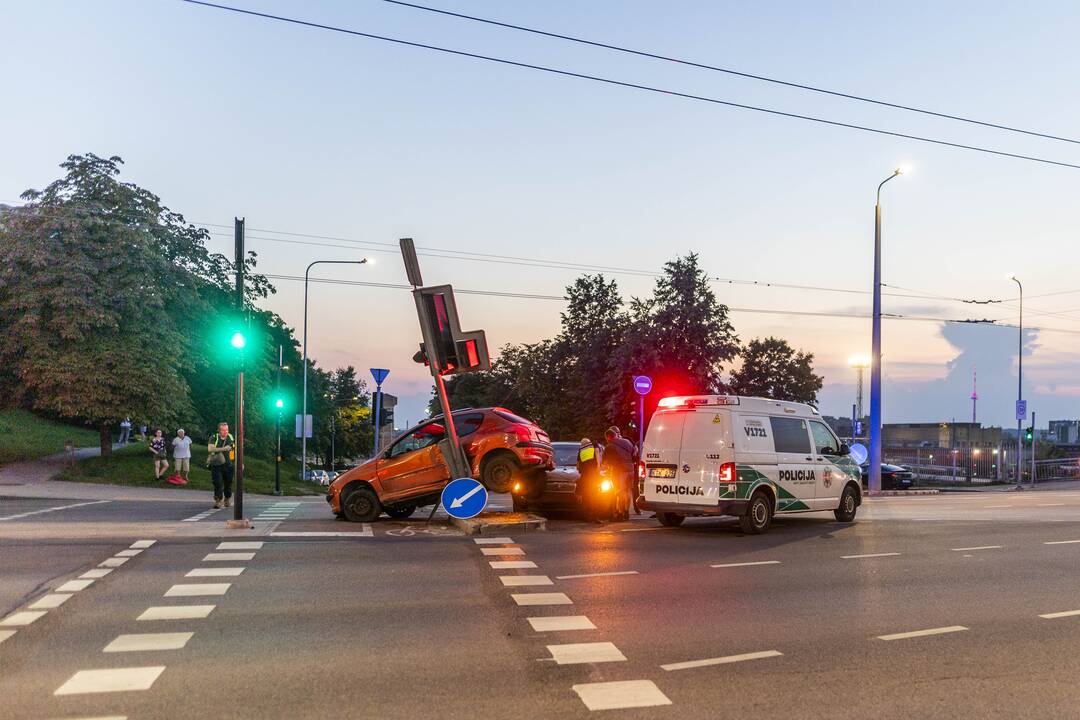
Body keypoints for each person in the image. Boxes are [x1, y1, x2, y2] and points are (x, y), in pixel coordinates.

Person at [602, 426, 636, 520]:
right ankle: (626, 512)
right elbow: (634, 452)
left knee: (619, 492)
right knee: (628, 491)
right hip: (631, 469)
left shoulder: (609, 446)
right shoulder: (627, 442)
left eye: (607, 439)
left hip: (620, 471)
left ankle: (620, 514)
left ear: (609, 437)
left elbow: (604, 462)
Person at [206, 422, 236, 509]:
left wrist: (240, 462)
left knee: (228, 483)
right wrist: (224, 448)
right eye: (223, 430)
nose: (225, 431)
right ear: (219, 430)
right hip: (216, 464)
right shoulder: (214, 437)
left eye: (227, 429)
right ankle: (218, 500)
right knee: (218, 483)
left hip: (228, 464)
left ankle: (227, 498)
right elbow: (210, 448)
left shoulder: (230, 437)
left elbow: (235, 450)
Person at [575, 437, 603, 521]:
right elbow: (598, 454)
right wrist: (598, 466)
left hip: (585, 477)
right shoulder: (594, 444)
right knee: (595, 496)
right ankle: (596, 516)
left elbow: (577, 466)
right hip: (593, 475)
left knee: (586, 496)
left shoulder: (580, 451)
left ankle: (587, 516)